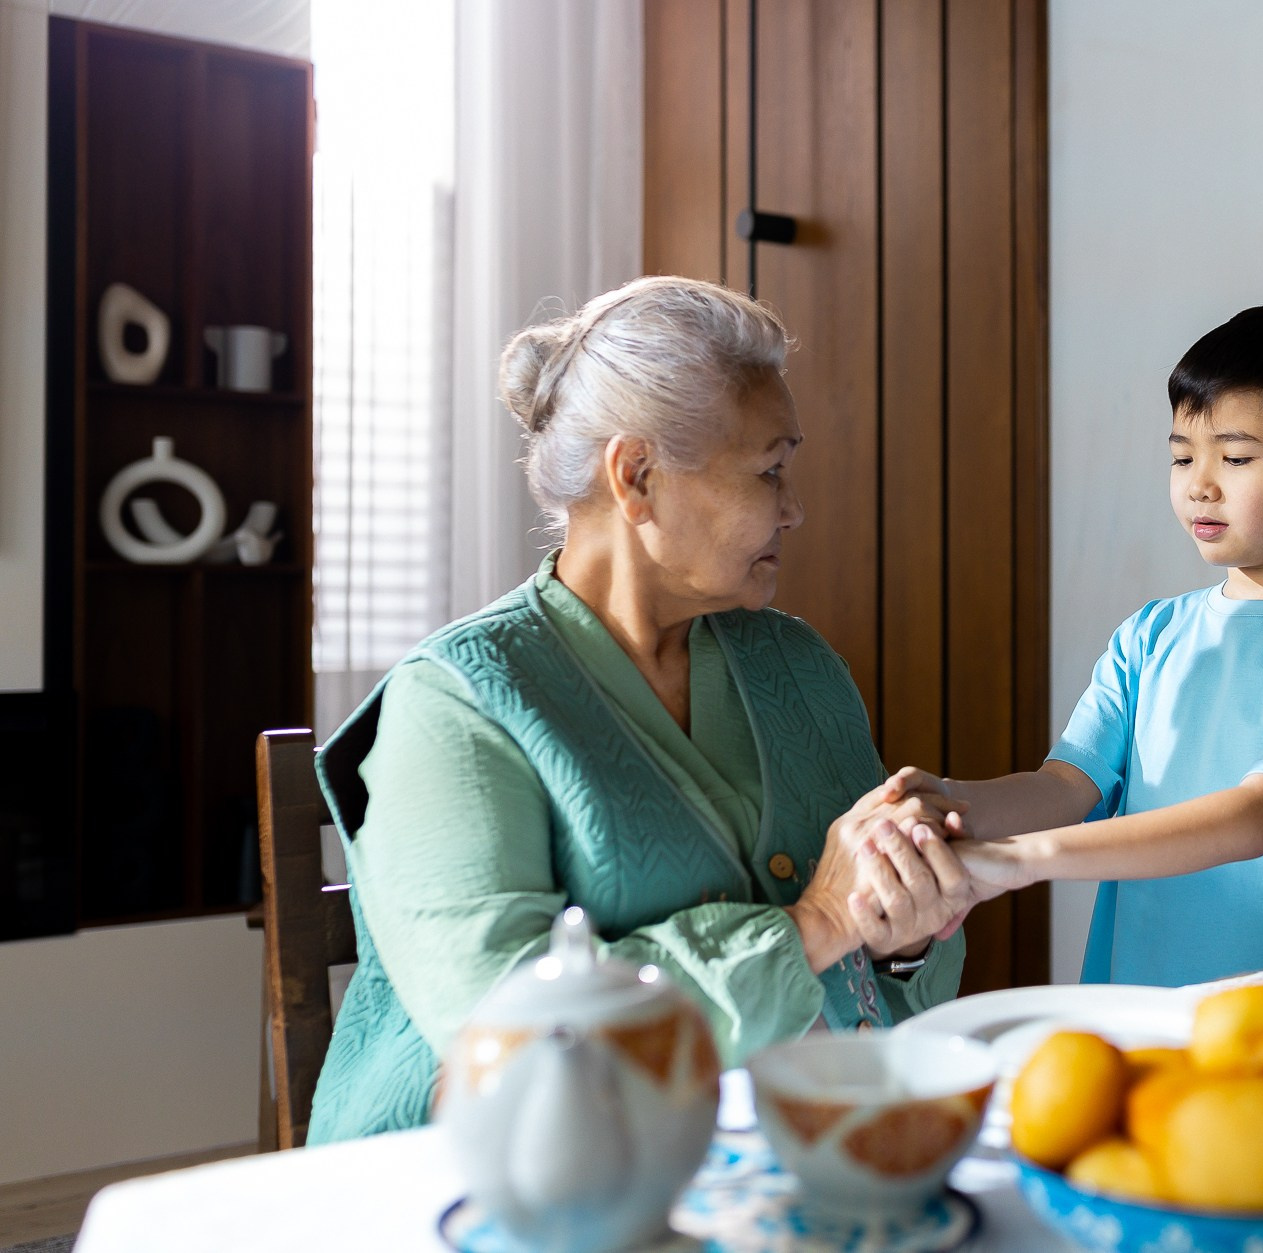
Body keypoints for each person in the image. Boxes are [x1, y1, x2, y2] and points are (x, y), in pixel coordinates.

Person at [307, 278, 976, 1142]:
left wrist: (903, 931)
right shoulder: (457, 704)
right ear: (637, 475)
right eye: (769, 471)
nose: (794, 506)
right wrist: (816, 922)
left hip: (775, 1156)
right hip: (498, 1183)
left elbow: (888, 977)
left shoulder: (798, 667)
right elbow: (507, 1035)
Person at [898, 304, 1263, 986]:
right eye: (1182, 455)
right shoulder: (1149, 635)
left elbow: (1256, 816)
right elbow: (1065, 785)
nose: (1199, 482)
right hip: (1139, 1001)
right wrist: (947, 802)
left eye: (1234, 456)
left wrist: (1018, 859)